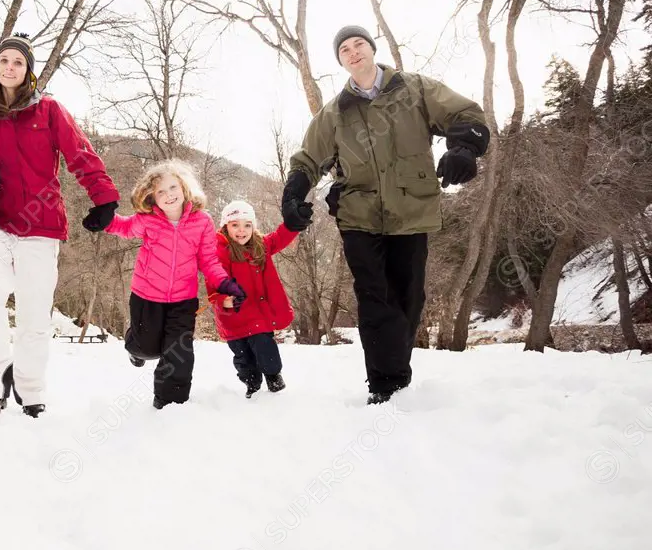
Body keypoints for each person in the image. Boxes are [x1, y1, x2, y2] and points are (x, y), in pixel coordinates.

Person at [282, 24, 490, 405]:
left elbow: (465, 113)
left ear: (372, 49)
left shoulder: (414, 89)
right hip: (359, 215)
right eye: (344, 49)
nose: (353, 51)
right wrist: (294, 194)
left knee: (409, 298)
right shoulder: (335, 113)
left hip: (411, 209)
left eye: (358, 43)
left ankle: (395, 374)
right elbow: (309, 158)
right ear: (341, 62)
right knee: (374, 296)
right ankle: (384, 385)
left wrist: (464, 149)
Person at [0, 33, 120, 418]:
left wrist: (104, 198)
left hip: (40, 227)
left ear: (28, 71)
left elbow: (80, 153)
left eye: (18, 62)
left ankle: (31, 392)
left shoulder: (48, 111)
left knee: (34, 314)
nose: (9, 67)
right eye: (3, 60)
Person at [102, 158, 247, 409]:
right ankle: (134, 346)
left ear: (184, 188)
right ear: (152, 197)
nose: (169, 195)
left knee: (179, 353)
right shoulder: (147, 220)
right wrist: (103, 219)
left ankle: (170, 402)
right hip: (146, 296)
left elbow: (209, 260)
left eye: (173, 188)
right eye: (160, 191)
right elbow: (123, 227)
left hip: (183, 300)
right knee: (147, 348)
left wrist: (225, 284)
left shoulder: (202, 222)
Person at [207, 200, 300, 398]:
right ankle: (252, 385)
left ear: (253, 227)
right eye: (235, 225)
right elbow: (214, 282)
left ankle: (274, 376)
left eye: (247, 225)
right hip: (234, 316)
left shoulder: (261, 245)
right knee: (243, 358)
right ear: (225, 226)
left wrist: (293, 223)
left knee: (265, 346)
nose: (242, 231)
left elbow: (280, 237)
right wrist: (224, 300)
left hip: (258, 313)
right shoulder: (219, 251)